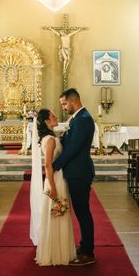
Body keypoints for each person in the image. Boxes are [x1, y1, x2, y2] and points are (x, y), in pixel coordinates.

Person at [52, 88, 96, 266]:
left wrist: (54, 166)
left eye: (64, 103)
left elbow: (73, 149)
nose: (63, 107)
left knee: (83, 212)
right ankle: (85, 246)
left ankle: (88, 253)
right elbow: (67, 142)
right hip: (76, 171)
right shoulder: (78, 118)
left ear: (73, 101)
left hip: (79, 172)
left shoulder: (83, 120)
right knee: (80, 211)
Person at [30, 108, 77, 266]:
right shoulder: (50, 140)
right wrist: (53, 188)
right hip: (55, 180)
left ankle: (57, 250)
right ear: (46, 121)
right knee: (58, 214)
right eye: (53, 116)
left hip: (57, 179)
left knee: (58, 214)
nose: (56, 117)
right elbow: (48, 165)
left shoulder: (50, 137)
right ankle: (57, 253)